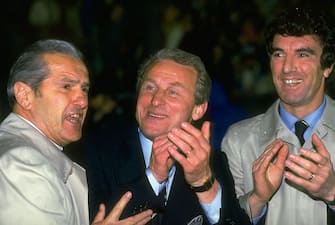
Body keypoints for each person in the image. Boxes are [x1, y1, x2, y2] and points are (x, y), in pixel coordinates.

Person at [85, 48, 251, 225]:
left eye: (173, 92)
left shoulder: (211, 163)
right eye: (150, 87)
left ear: (198, 109)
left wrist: (204, 186)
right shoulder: (96, 151)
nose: (156, 100)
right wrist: (153, 177)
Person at [0, 39, 153, 225]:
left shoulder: (32, 156)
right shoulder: (20, 164)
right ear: (25, 96)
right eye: (66, 86)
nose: (82, 101)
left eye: (84, 89)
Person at [221, 7, 335, 225]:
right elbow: (223, 219)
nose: (287, 68)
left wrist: (333, 193)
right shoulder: (239, 140)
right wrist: (257, 199)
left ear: (327, 66)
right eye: (279, 54)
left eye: (302, 54)